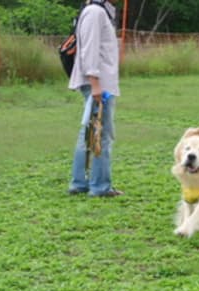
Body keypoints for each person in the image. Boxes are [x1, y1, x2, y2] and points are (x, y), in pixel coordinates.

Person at [68, 0, 123, 197]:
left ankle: (80, 182)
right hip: (99, 84)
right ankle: (99, 186)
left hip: (100, 83)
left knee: (91, 133)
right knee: (101, 135)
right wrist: (95, 83)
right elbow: (89, 49)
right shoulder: (95, 12)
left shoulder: (100, 12)